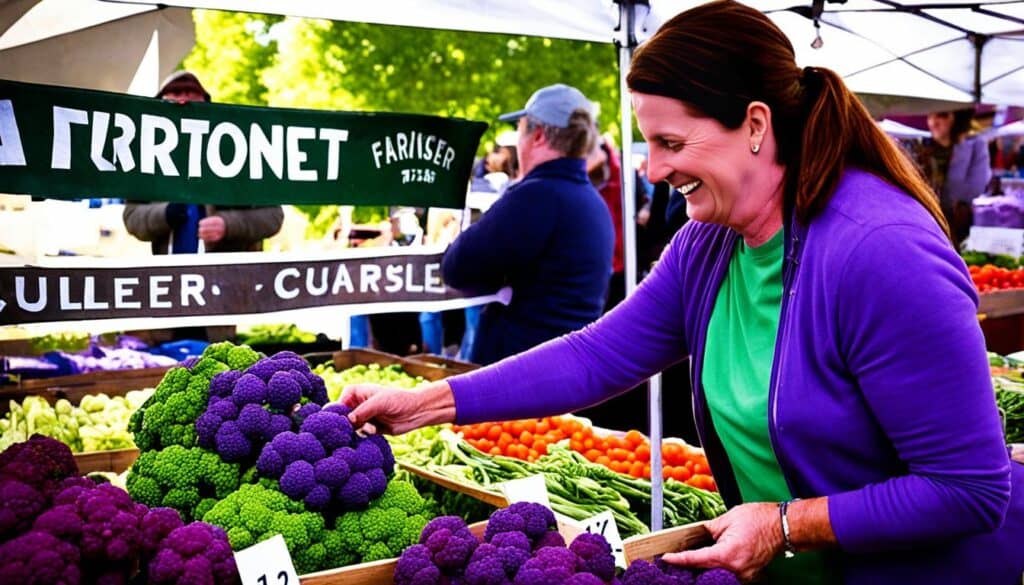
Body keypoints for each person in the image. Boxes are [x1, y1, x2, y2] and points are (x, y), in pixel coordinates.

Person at [341, 2, 1024, 583]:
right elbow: (596, 355)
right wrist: (426, 402)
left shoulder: (879, 250)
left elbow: (969, 488)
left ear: (755, 125)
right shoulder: (711, 243)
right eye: (648, 144)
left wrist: (787, 523)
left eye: (671, 142)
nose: (656, 168)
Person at [440, 84, 613, 365]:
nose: (517, 143)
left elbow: (456, 267)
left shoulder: (538, 196)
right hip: (565, 367)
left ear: (539, 136)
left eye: (520, 130)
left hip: (520, 377)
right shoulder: (590, 200)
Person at [123, 71, 284, 255]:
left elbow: (273, 216)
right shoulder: (147, 160)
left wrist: (227, 224)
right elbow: (131, 217)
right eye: (175, 94)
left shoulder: (239, 155)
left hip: (231, 274)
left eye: (192, 94)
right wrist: (165, 214)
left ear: (207, 105)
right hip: (170, 274)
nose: (183, 100)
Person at [915, 109, 991, 244]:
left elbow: (975, 187)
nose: (933, 123)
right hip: (925, 222)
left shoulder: (975, 145)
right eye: (930, 116)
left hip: (957, 225)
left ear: (956, 118)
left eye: (942, 116)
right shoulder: (923, 148)